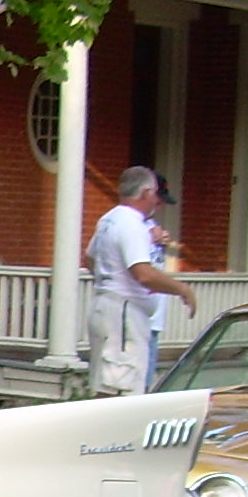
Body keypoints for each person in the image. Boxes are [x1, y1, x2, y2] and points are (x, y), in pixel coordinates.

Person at [85, 166, 196, 395]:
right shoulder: (132, 224)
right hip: (124, 314)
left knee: (108, 381)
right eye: (155, 193)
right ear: (145, 193)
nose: (157, 199)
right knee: (121, 388)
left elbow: (89, 259)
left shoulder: (109, 219)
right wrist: (182, 289)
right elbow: (143, 274)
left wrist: (110, 279)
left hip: (105, 307)